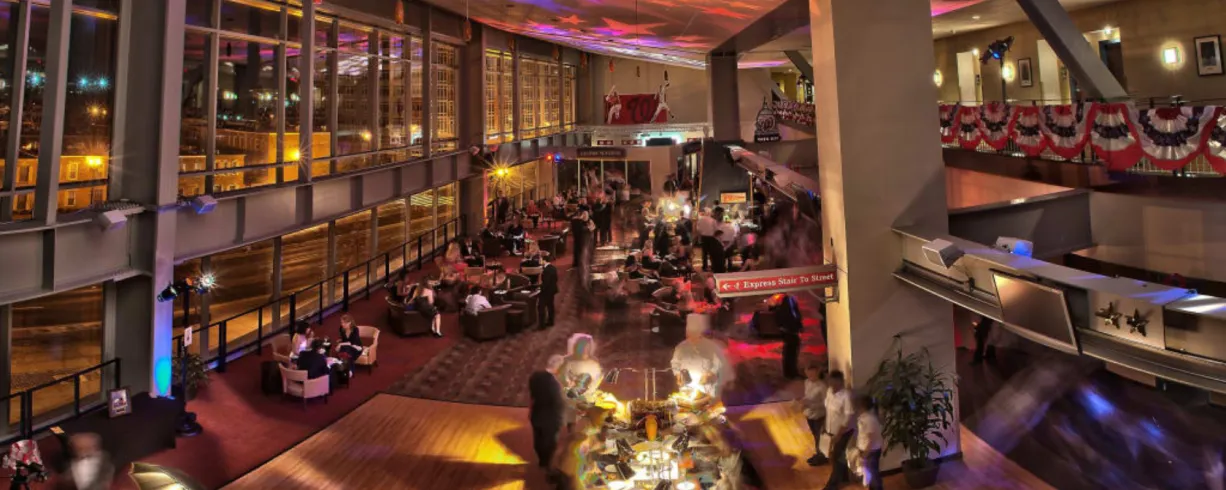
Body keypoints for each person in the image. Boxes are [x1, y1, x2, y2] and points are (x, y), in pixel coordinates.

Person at [670, 315, 733, 401]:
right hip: (687, 387)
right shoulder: (681, 347)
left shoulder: (711, 346)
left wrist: (709, 374)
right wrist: (677, 375)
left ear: (700, 333)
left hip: (706, 386)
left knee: (706, 404)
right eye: (690, 334)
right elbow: (675, 363)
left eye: (695, 334)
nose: (692, 337)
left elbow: (718, 363)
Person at [529, 360, 566, 472]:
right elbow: (558, 403)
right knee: (550, 443)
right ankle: (548, 465)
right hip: (551, 418)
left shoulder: (535, 376)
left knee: (538, 439)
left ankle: (542, 461)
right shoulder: (554, 384)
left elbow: (533, 394)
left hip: (536, 414)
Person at [821, 371, 855, 490]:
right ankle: (844, 478)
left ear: (840, 382)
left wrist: (839, 434)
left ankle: (832, 485)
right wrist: (824, 426)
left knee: (836, 457)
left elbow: (848, 417)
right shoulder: (829, 392)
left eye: (835, 383)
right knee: (838, 455)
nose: (832, 385)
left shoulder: (846, 396)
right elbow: (828, 411)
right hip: (831, 430)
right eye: (830, 382)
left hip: (844, 431)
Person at [847, 394, 884, 490]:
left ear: (862, 407)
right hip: (867, 450)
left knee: (873, 473)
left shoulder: (869, 420)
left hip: (871, 451)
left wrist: (865, 453)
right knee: (870, 473)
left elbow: (870, 439)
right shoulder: (864, 418)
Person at [557, 334, 603, 407]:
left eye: (587, 348)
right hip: (569, 399)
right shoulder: (567, 363)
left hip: (587, 399)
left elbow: (595, 382)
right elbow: (562, 379)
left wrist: (587, 393)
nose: (584, 350)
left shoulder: (595, 365)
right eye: (582, 347)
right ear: (576, 348)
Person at [798, 363, 829, 466]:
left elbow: (825, 403)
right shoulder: (807, 382)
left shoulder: (822, 386)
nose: (810, 376)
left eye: (812, 374)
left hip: (818, 415)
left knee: (819, 436)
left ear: (817, 372)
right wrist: (803, 402)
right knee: (815, 435)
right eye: (808, 374)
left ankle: (822, 457)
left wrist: (810, 405)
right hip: (809, 414)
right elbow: (807, 396)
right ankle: (818, 453)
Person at [771, 293, 804, 379]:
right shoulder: (783, 299)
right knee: (790, 351)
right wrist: (783, 327)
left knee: (791, 351)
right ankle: (791, 372)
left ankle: (790, 372)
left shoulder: (790, 299)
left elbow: (795, 313)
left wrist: (799, 326)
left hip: (791, 329)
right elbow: (780, 313)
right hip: (789, 330)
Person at [539, 258, 559, 327]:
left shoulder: (546, 270)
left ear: (544, 260)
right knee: (550, 306)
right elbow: (556, 279)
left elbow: (546, 282)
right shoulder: (553, 268)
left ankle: (542, 325)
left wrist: (540, 288)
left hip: (546, 291)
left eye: (540, 260)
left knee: (541, 307)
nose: (539, 261)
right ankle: (551, 321)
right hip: (552, 290)